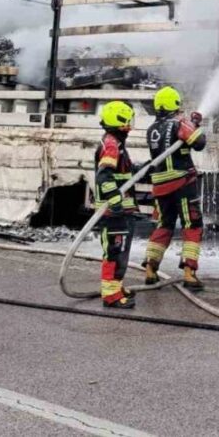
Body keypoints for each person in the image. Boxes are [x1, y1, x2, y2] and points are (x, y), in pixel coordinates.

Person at [144, 86, 207, 290]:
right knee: (193, 224)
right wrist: (193, 123)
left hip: (160, 186)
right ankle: (189, 273)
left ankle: (150, 270)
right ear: (175, 104)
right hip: (182, 183)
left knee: (164, 225)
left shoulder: (151, 129)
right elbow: (199, 142)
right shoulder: (179, 123)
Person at [95, 100, 141, 309]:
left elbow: (120, 173)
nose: (130, 124)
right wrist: (114, 202)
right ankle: (110, 295)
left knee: (120, 250)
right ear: (119, 121)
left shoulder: (115, 143)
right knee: (114, 251)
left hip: (121, 211)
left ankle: (116, 286)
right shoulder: (112, 144)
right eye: (128, 120)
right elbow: (104, 176)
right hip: (114, 213)